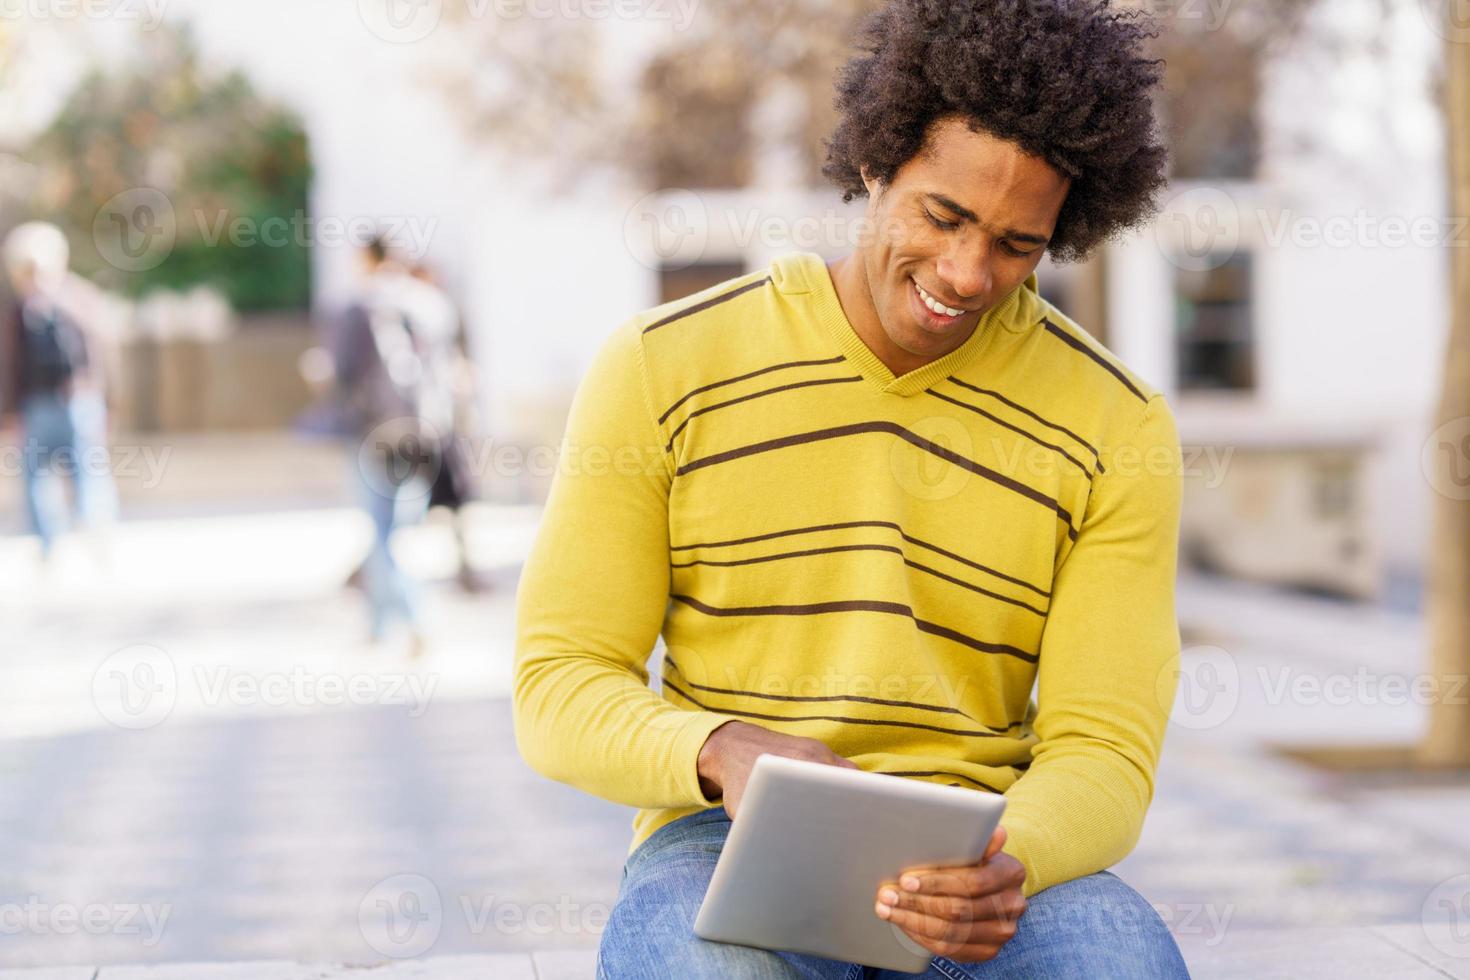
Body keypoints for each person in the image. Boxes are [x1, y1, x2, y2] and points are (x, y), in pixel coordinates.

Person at [514, 1, 1189, 976]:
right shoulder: (665, 366)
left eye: (1017, 244)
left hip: (988, 847)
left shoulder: (1116, 425)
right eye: (943, 215)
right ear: (877, 165)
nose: (966, 273)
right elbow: (558, 683)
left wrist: (1009, 860)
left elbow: (1106, 749)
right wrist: (724, 749)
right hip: (726, 836)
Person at [331, 236, 459, 655]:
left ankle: (413, 616)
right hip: (426, 429)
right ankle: (378, 622)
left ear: (370, 258)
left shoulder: (361, 305)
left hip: (376, 433)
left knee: (382, 529)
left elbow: (343, 369)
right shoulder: (433, 303)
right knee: (402, 526)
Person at [0, 221, 119, 565]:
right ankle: (48, 546)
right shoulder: (16, 311)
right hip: (35, 406)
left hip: (78, 403)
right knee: (36, 479)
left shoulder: (79, 299)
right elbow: (10, 364)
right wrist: (10, 412)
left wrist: (106, 401)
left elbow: (103, 352)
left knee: (89, 472)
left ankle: (97, 536)